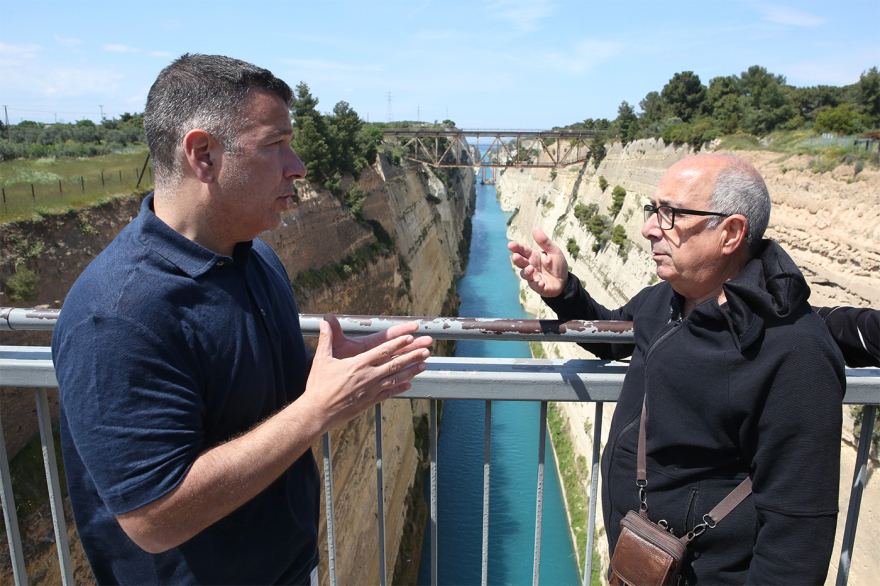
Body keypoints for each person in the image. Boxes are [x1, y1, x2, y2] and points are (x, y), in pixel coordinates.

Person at [51, 54, 433, 585]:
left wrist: (324, 370)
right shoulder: (116, 314)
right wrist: (317, 410)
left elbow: (239, 385)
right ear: (203, 155)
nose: (298, 166)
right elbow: (154, 519)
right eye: (276, 144)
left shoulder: (254, 257)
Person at [509, 154, 845, 584]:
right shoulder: (665, 300)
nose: (649, 228)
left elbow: (796, 538)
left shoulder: (793, 352)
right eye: (653, 211)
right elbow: (612, 336)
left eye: (671, 214)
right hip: (643, 560)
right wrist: (564, 293)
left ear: (730, 233)